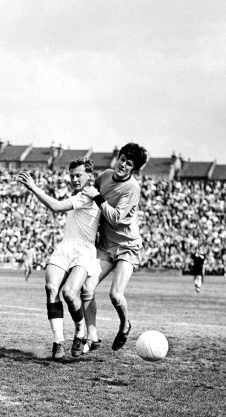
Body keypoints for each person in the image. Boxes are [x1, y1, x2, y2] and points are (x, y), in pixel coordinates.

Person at [18, 159, 101, 361]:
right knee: (50, 288)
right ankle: (58, 342)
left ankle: (80, 331)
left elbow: (55, 206)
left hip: (83, 250)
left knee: (70, 293)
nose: (74, 179)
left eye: (78, 175)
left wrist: (33, 188)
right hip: (66, 246)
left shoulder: (89, 196)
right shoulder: (82, 196)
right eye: (72, 175)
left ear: (90, 175)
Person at [81, 142, 149, 352]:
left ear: (133, 168)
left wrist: (97, 196)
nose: (123, 165)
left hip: (127, 246)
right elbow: (89, 193)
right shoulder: (105, 176)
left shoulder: (132, 188)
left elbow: (116, 218)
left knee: (115, 295)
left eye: (129, 164)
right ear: (117, 158)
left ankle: (124, 324)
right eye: (122, 159)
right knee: (86, 288)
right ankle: (92, 336)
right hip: (105, 244)